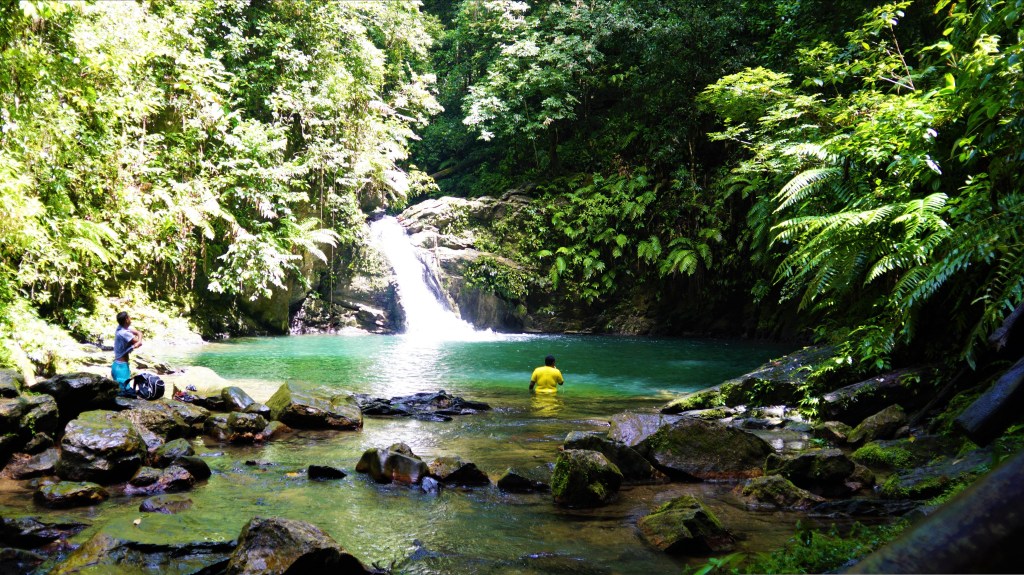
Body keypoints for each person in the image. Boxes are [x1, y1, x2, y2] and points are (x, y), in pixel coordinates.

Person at [112, 311, 143, 396]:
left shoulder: (121, 328)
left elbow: (137, 333)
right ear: (126, 319)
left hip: (116, 365)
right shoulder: (124, 333)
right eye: (129, 317)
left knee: (121, 390)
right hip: (121, 368)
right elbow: (139, 341)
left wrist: (138, 336)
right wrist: (139, 337)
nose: (130, 318)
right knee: (124, 393)